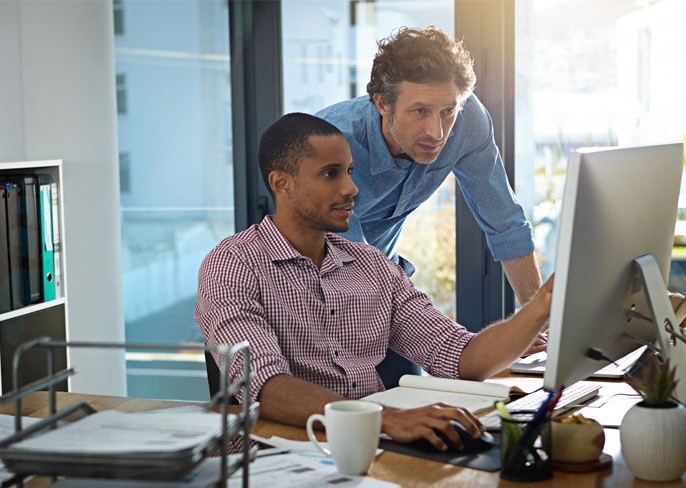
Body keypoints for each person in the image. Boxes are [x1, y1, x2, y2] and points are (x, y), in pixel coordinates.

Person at [195, 113, 552, 451]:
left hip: (376, 450)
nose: (351, 188)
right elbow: (265, 388)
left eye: (349, 171)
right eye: (330, 174)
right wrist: (387, 420)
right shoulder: (232, 265)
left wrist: (540, 307)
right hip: (278, 460)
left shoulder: (371, 266)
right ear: (281, 183)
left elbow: (460, 357)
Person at [316, 27, 543, 387]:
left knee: (409, 402)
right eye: (419, 111)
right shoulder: (334, 142)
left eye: (447, 111)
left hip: (382, 285)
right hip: (314, 297)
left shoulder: (467, 121)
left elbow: (505, 222)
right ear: (381, 103)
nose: (436, 131)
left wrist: (538, 323)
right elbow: (352, 263)